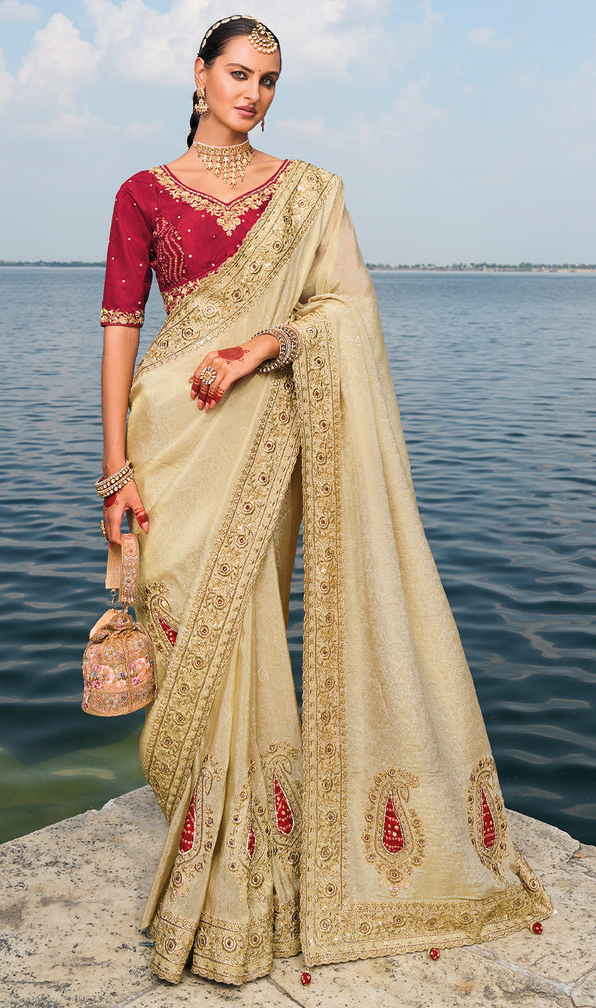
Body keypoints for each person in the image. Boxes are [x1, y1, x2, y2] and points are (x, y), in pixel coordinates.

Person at [97, 14, 552, 987]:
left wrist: (266, 345)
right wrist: (116, 473)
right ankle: (209, 834)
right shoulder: (140, 195)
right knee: (186, 635)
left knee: (251, 622)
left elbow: (344, 309)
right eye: (237, 74)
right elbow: (121, 331)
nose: (253, 94)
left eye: (269, 79)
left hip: (264, 428)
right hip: (170, 442)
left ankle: (246, 881)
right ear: (199, 74)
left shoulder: (308, 192)